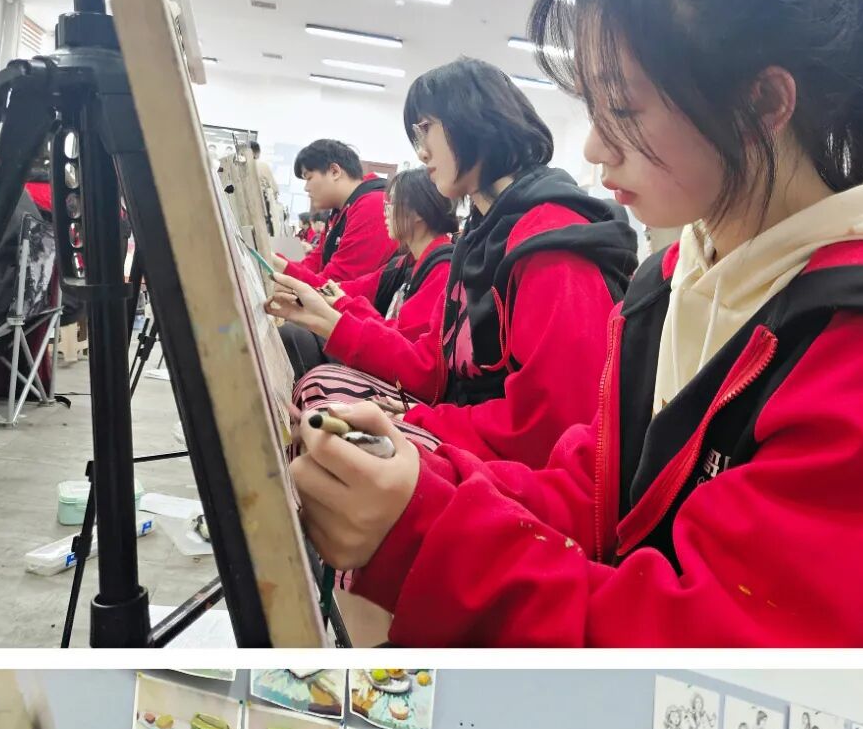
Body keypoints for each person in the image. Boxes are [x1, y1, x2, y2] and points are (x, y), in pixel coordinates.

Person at [284, 0, 863, 654]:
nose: (594, 146)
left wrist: (427, 531)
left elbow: (714, 659)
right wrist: (421, 477)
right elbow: (598, 491)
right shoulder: (673, 281)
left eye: (624, 108)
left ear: (762, 101)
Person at [301, 57, 636, 466]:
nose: (421, 151)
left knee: (328, 431)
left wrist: (421, 420)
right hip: (472, 433)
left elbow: (549, 430)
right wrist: (331, 321)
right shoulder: (480, 235)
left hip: (516, 469)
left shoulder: (550, 244)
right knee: (319, 393)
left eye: (425, 128)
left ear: (473, 120)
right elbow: (435, 366)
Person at [267, 140, 393, 384]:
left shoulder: (372, 204)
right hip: (344, 314)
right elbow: (315, 263)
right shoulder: (341, 211)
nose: (306, 187)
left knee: (288, 336)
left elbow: (336, 283)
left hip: (363, 327)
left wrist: (279, 266)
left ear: (335, 171)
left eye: (308, 177)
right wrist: (278, 267)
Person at [372, 163, 459, 330]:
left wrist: (342, 308)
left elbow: (405, 338)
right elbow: (362, 286)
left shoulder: (443, 270)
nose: (385, 212)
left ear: (419, 212)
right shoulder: (406, 263)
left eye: (392, 203)